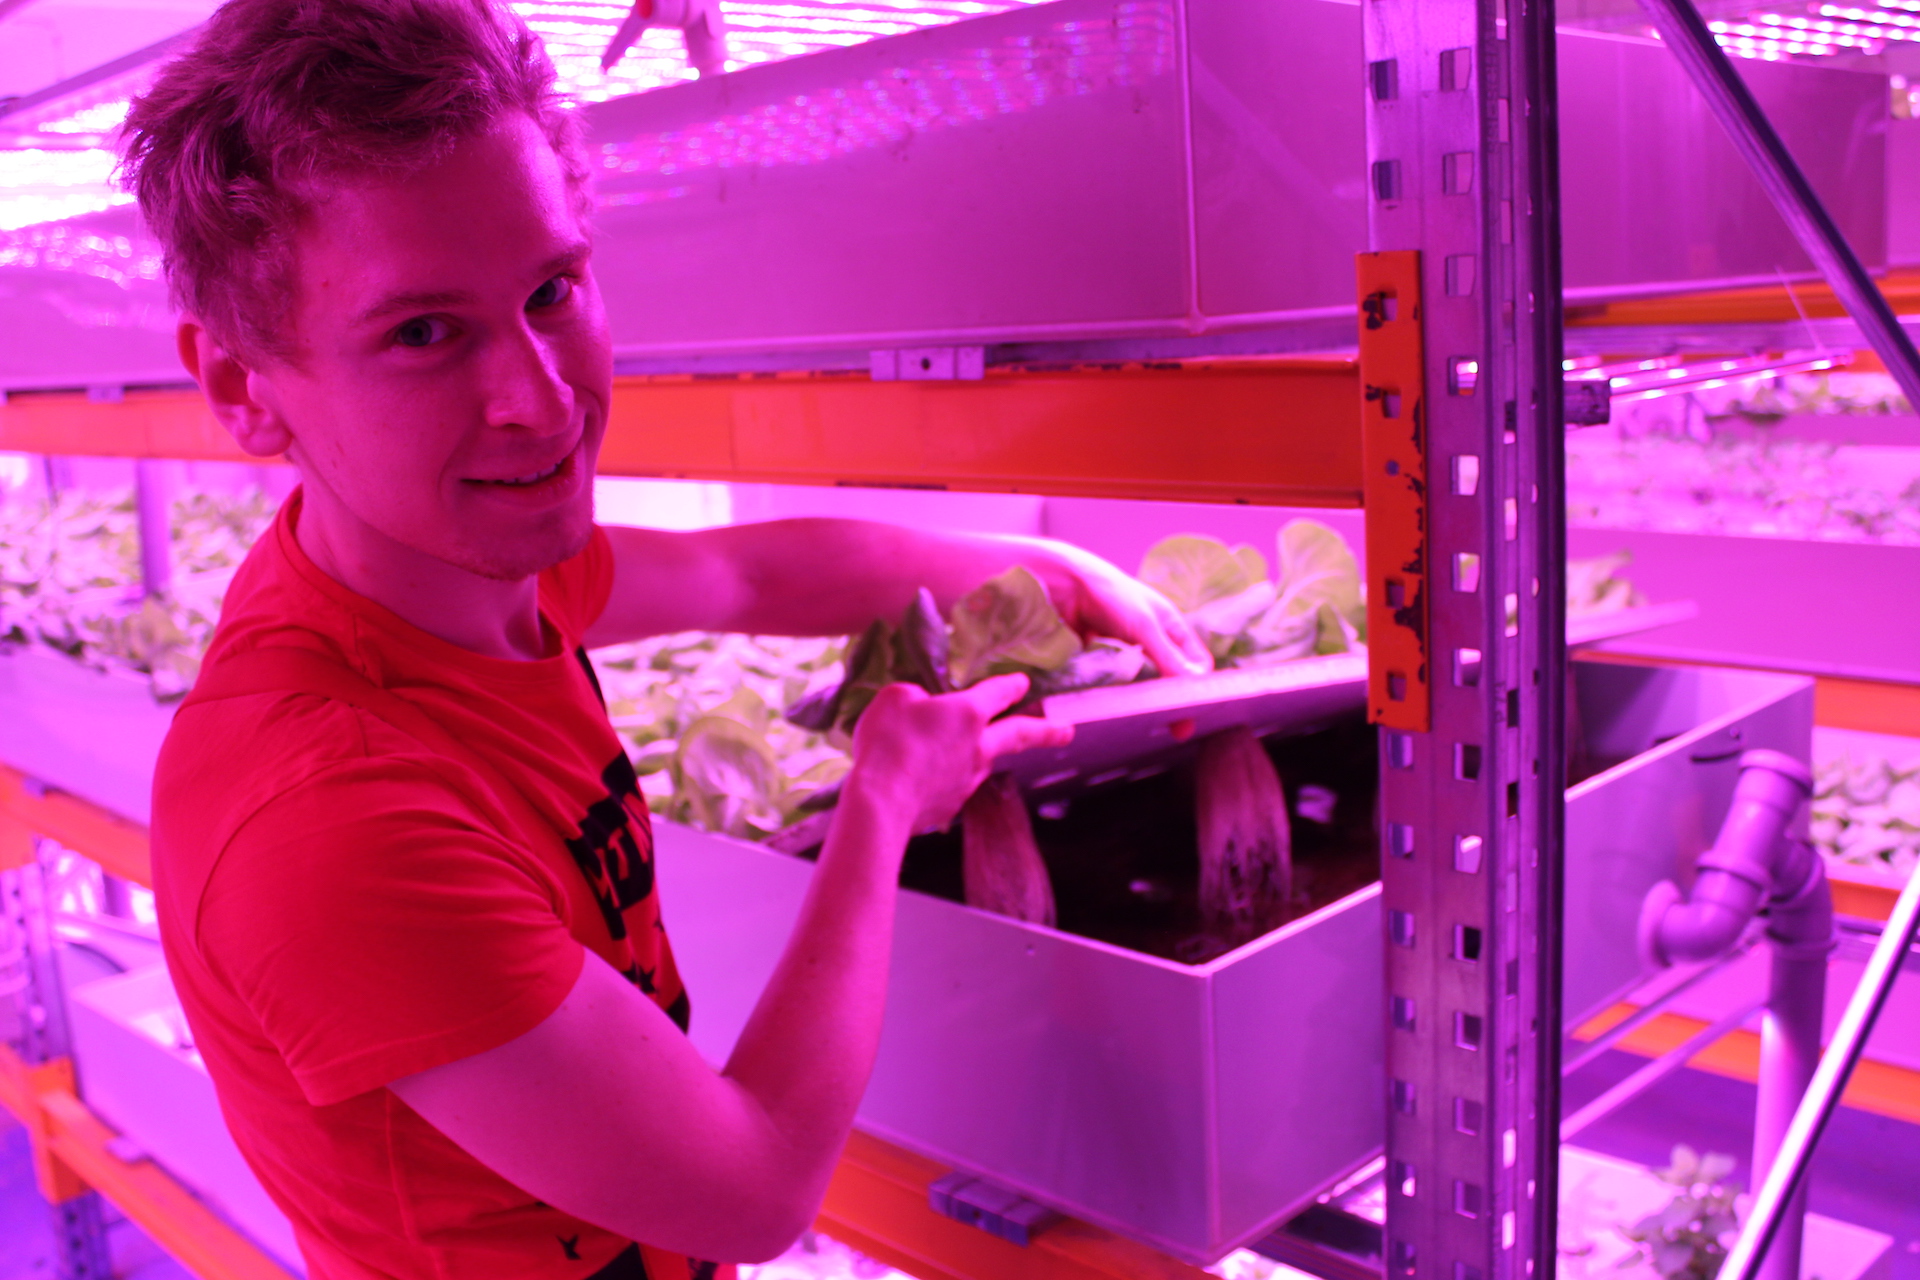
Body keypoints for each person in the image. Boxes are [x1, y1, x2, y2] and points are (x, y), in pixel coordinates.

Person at [128, 1, 1210, 1277]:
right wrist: (879, 805)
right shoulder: (327, 813)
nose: (539, 401)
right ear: (244, 387)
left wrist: (1048, 568)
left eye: (553, 288)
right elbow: (754, 1191)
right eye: (423, 333)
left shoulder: (452, 577)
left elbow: (743, 571)